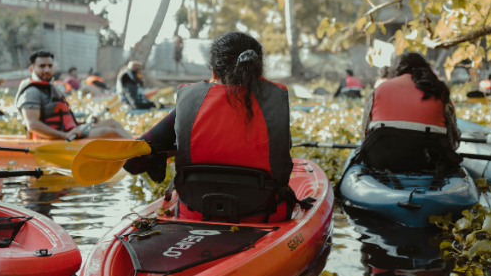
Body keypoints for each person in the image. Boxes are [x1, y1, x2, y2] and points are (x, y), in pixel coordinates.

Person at [123, 31, 307, 223]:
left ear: (214, 71)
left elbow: (133, 164)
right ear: (258, 69)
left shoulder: (191, 104)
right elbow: (280, 157)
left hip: (195, 212)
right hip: (264, 214)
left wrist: (164, 152)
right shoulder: (274, 103)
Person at [360, 52, 462, 172]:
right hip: (428, 161)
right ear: (427, 70)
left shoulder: (379, 89)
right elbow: (453, 139)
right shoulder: (439, 91)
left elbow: (365, 134)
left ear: (398, 70)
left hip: (384, 159)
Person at [16, 50, 132, 140]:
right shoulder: (31, 92)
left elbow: (62, 119)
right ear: (32, 69)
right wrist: (64, 136)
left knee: (111, 122)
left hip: (69, 132)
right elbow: (33, 125)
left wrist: (85, 122)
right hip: (58, 138)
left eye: (49, 66)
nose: (47, 69)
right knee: (110, 132)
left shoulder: (49, 88)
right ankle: (137, 155)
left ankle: (136, 145)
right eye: (42, 66)